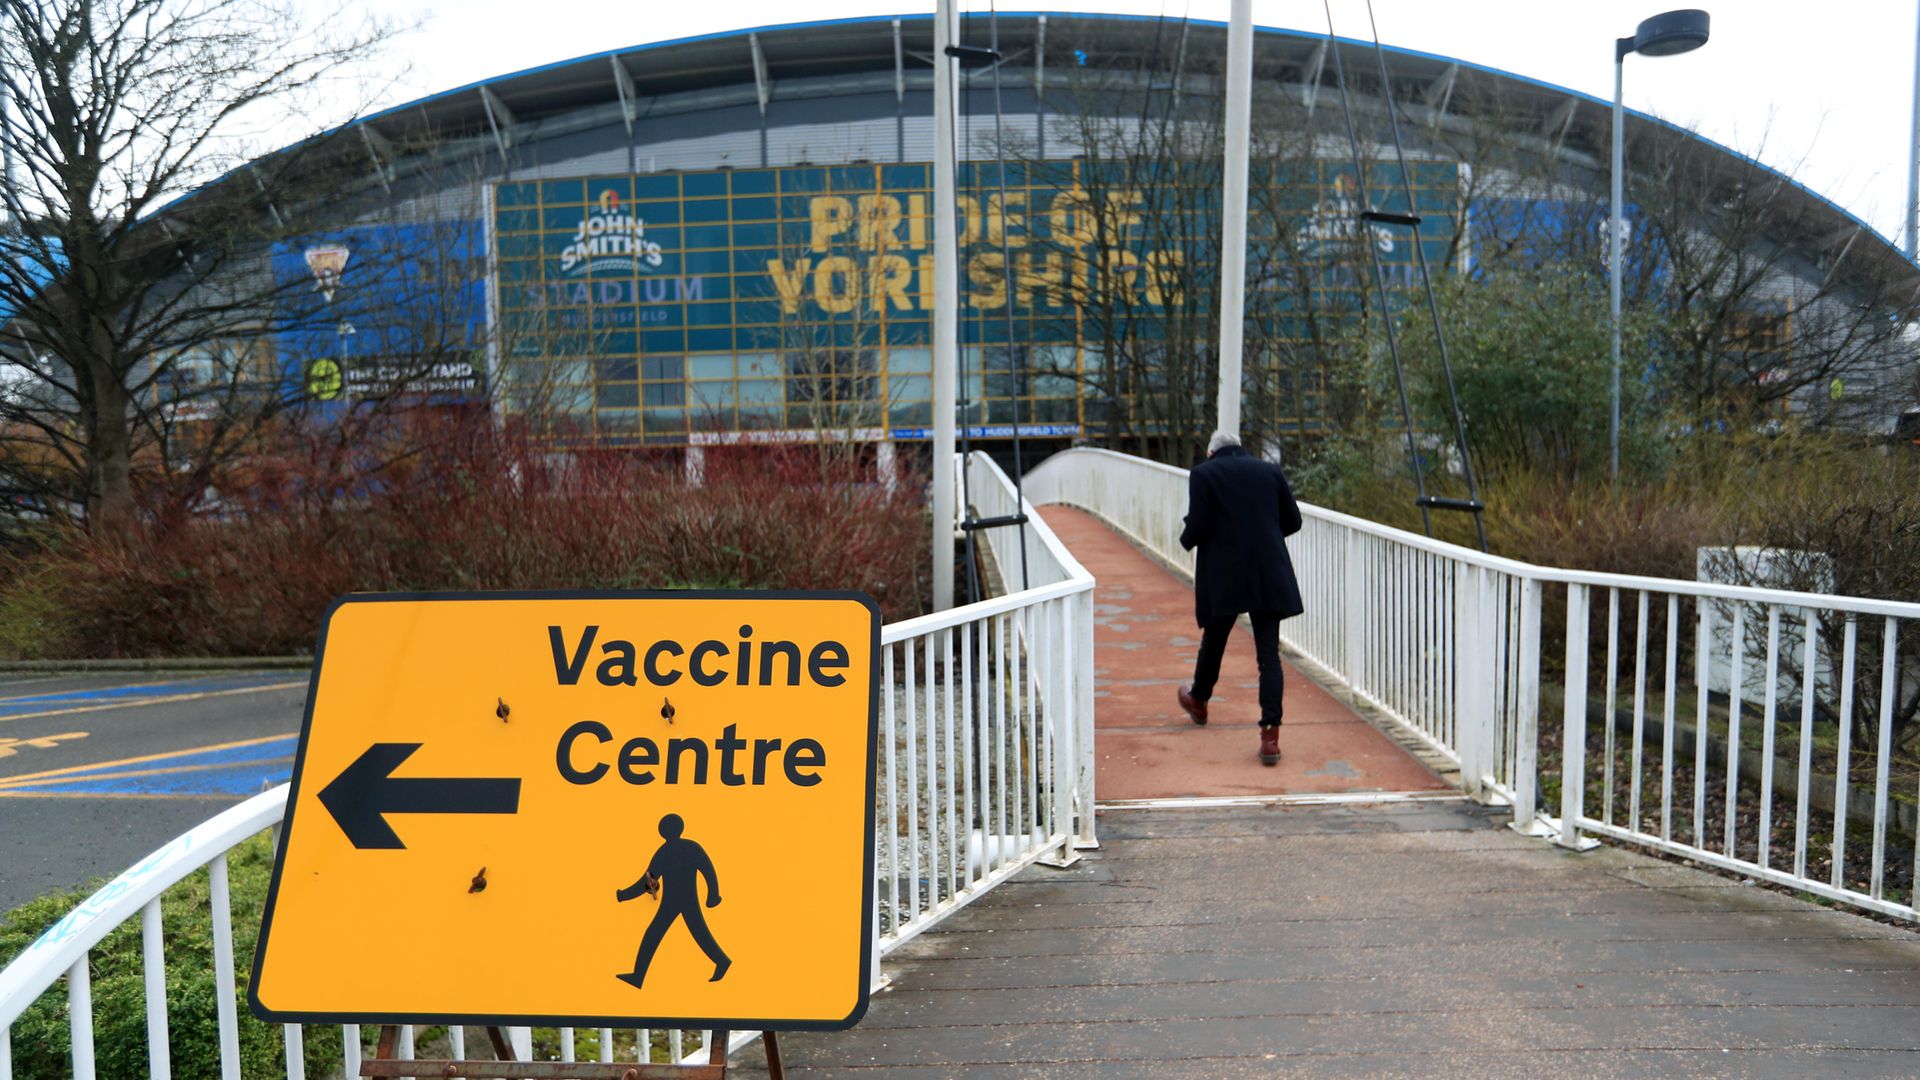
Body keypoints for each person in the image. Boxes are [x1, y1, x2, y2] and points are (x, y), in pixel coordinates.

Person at [1176, 431, 1304, 765]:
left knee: (1215, 638)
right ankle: (1270, 736)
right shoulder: (1269, 471)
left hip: (1225, 573)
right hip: (1267, 570)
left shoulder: (1204, 473)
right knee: (1268, 657)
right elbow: (1293, 520)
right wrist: (1262, 533)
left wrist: (1185, 537)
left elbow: (1200, 524)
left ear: (1210, 452)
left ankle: (1199, 699)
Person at [615, 813, 731, 988]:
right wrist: (713, 895)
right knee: (696, 933)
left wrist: (623, 895)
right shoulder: (690, 847)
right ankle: (722, 961)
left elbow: (644, 882)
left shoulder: (665, 851)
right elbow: (707, 871)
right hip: (680, 899)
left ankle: (638, 976)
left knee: (658, 934)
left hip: (678, 900)